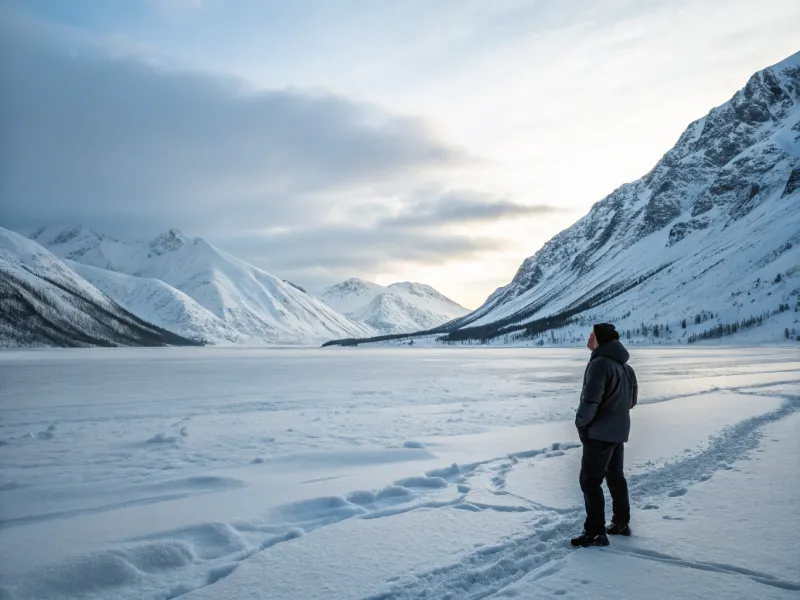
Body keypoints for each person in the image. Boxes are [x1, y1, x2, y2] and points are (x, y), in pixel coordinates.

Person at [570, 323, 638, 548]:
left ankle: (595, 533)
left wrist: (581, 423)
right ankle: (620, 523)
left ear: (600, 339)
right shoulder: (626, 368)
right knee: (615, 477)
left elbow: (591, 401)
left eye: (592, 334)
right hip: (618, 432)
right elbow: (631, 402)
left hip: (599, 434)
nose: (589, 338)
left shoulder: (599, 364)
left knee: (590, 482)